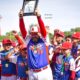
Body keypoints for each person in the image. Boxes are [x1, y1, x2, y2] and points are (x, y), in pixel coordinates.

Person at [19, 9, 53, 80]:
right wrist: (21, 18)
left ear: (39, 33)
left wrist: (39, 17)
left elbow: (43, 31)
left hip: (44, 72)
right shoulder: (29, 41)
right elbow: (23, 31)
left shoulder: (44, 40)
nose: (34, 35)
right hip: (32, 73)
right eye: (32, 34)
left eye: (36, 33)